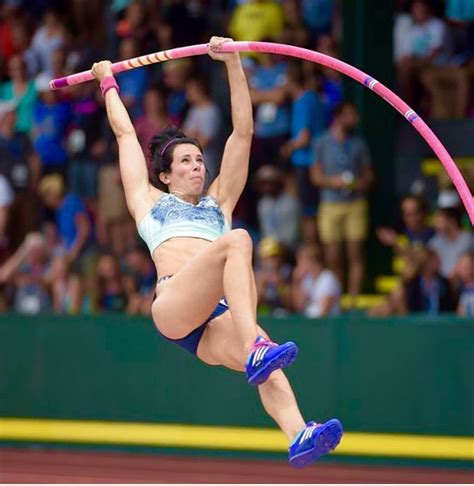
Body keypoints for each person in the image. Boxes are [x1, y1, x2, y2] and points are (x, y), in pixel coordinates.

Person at [91, 35, 342, 468]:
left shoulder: (220, 202)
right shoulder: (148, 201)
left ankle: (299, 433)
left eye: (200, 159)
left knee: (263, 354)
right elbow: (124, 132)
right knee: (239, 241)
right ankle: (255, 346)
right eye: (186, 161)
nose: (198, 166)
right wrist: (106, 81)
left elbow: (243, 132)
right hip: (174, 305)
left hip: (217, 313)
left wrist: (232, 61)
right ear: (166, 176)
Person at [310, 101, 374, 303]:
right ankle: (335, 300)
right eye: (350, 114)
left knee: (355, 252)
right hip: (330, 204)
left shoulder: (358, 144)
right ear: (338, 116)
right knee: (332, 255)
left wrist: (357, 184)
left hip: (355, 203)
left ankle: (353, 300)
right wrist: (334, 182)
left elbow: (369, 177)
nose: (354, 119)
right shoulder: (321, 142)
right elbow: (315, 176)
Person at [291, 243, 341, 318]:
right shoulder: (307, 280)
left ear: (311, 262)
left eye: (301, 262)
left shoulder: (328, 279)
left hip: (326, 326)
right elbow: (299, 306)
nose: (298, 266)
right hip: (311, 324)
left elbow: (325, 312)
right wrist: (296, 281)